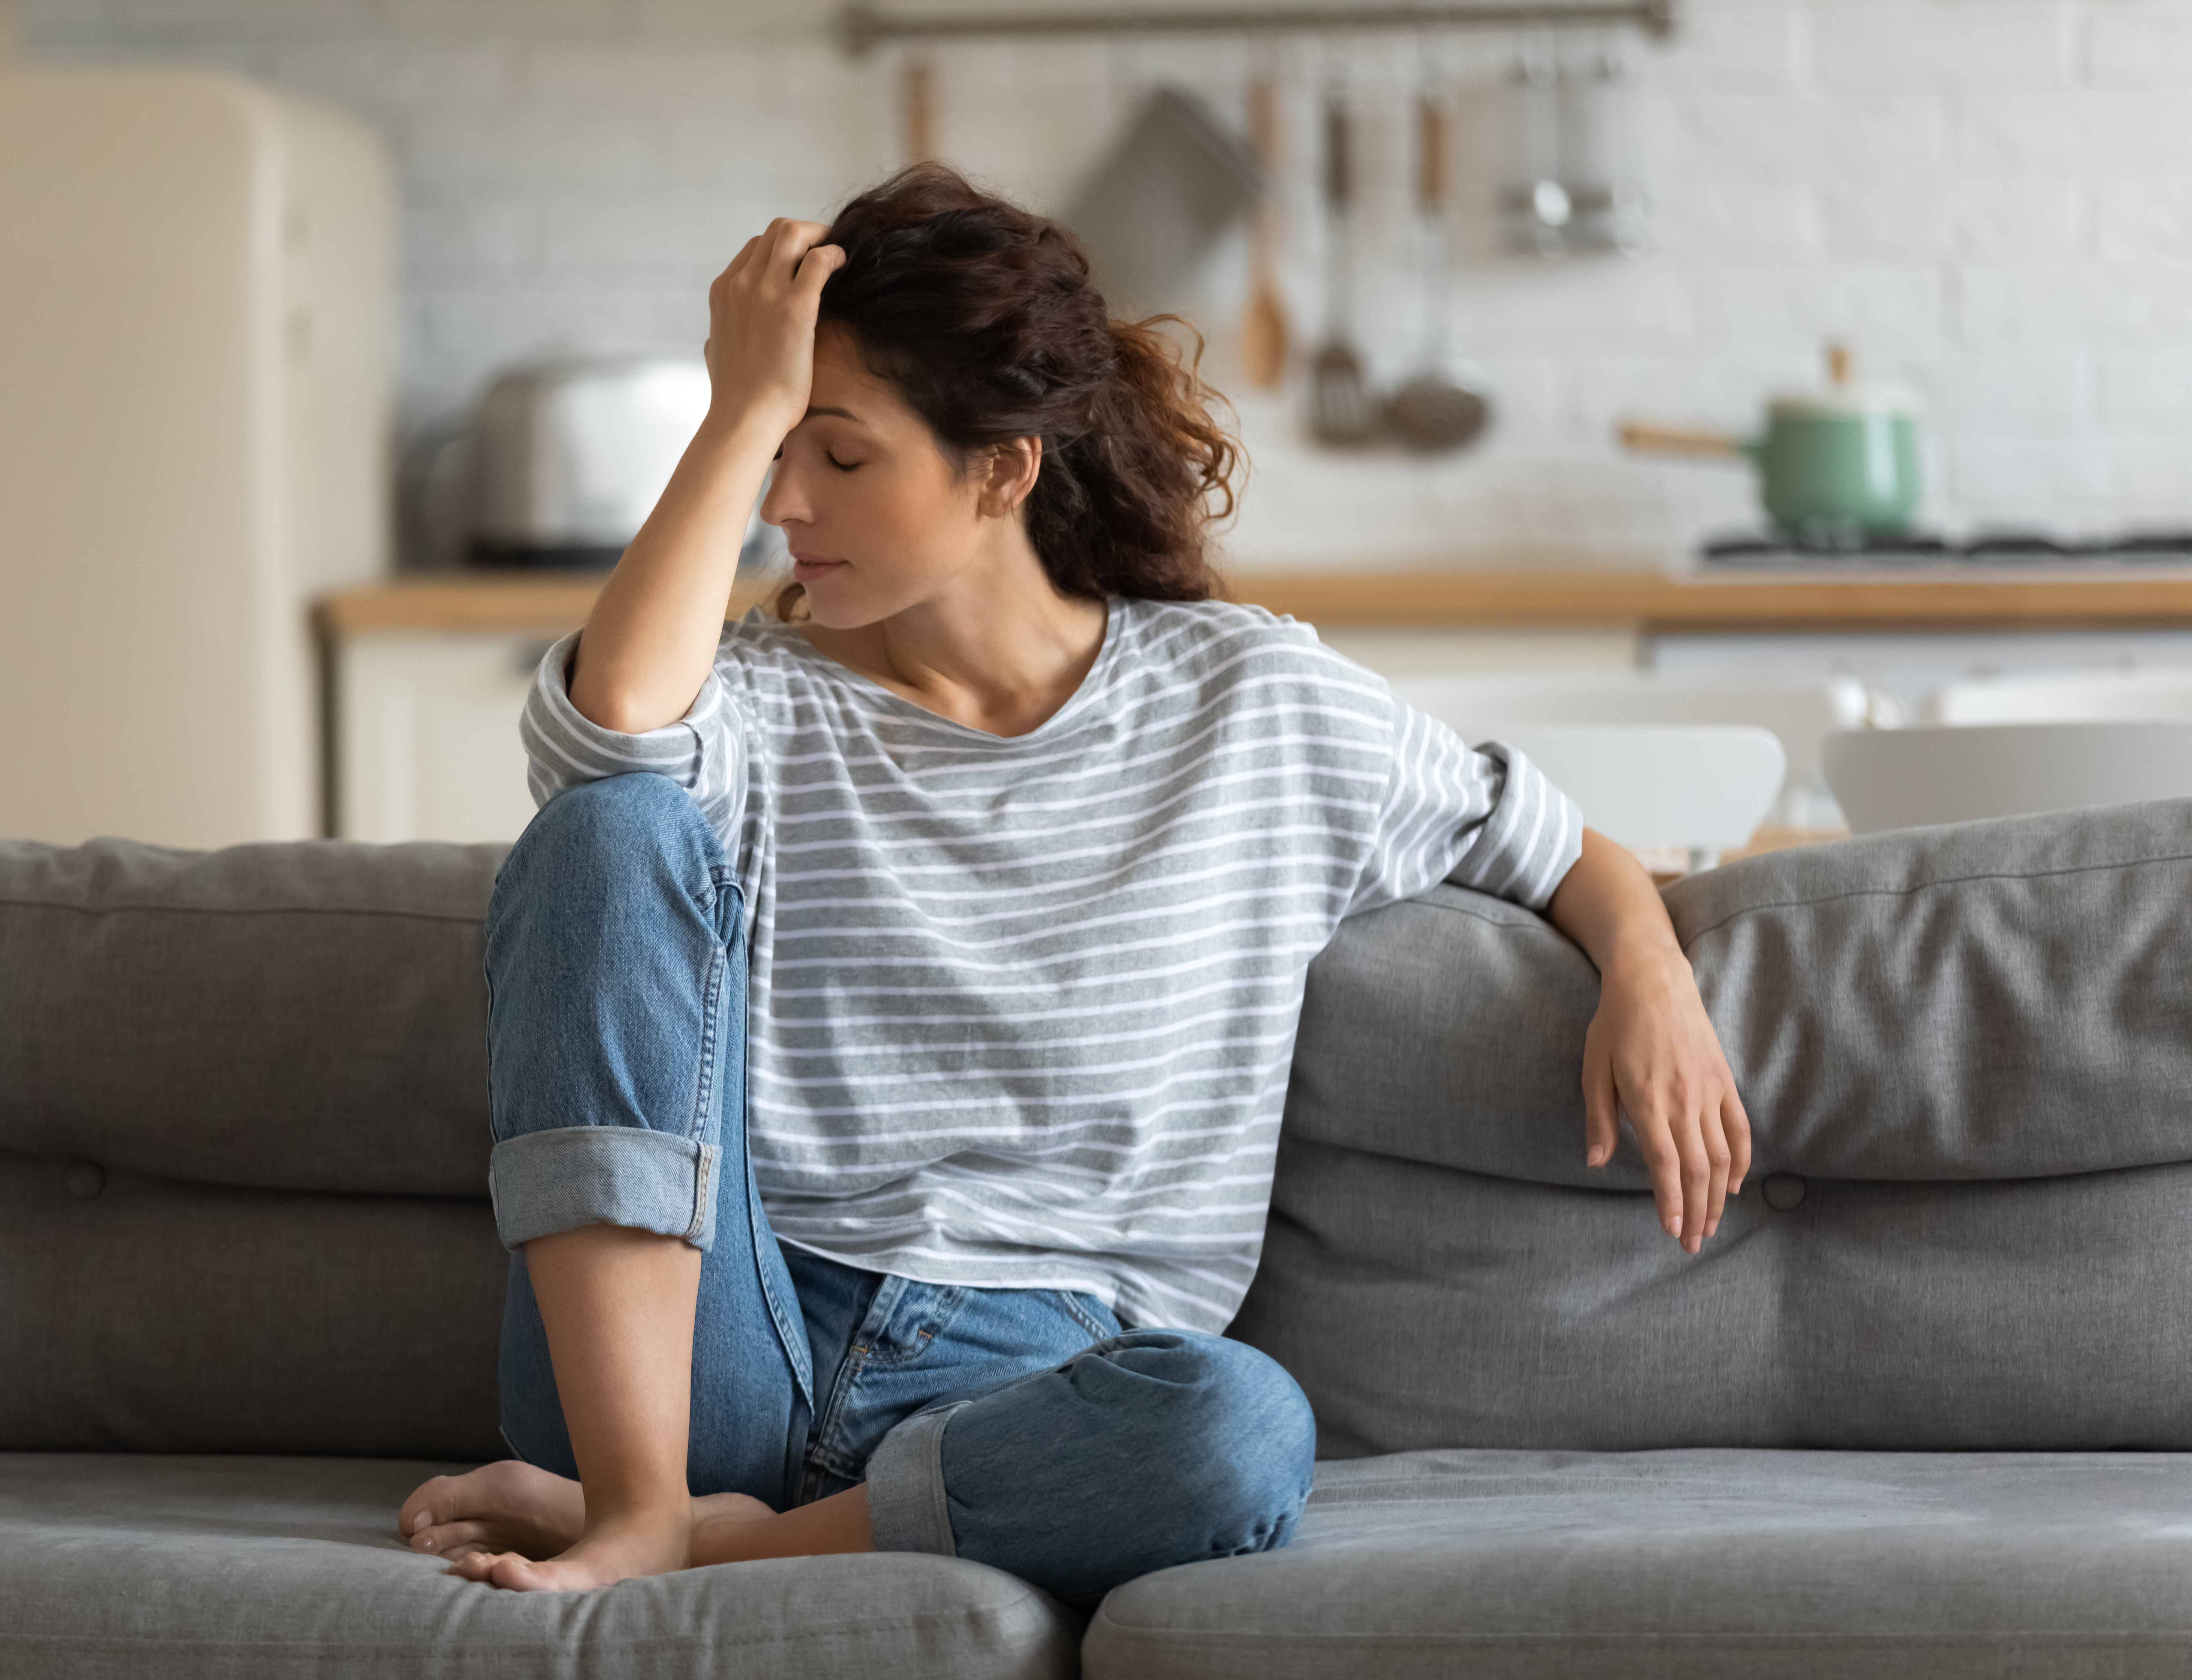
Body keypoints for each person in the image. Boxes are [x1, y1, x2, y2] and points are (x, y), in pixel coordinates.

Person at [395, 165, 1749, 1604]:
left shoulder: (1252, 702)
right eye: (774, 450)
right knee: (612, 827)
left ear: (1003, 469)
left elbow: (1547, 839)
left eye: (839, 458)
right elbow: (605, 739)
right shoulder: (753, 704)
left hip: (1040, 1390)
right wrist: (738, 410)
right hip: (701, 1352)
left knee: (1237, 1426)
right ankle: (642, 1495)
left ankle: (692, 1540)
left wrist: (1652, 978)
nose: (786, 500)